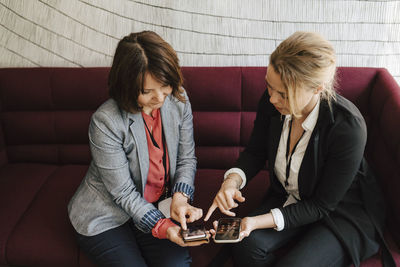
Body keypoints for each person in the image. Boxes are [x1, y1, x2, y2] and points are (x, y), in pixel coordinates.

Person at [205, 31, 395, 267]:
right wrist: (231, 181)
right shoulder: (272, 100)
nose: (272, 98)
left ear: (317, 89)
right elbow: (255, 151)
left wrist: (254, 222)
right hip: (292, 195)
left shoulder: (348, 127)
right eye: (269, 86)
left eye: (283, 94)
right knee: (244, 245)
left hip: (341, 209)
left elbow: (320, 205)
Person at [68, 31, 208, 267]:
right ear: (127, 86)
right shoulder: (106, 121)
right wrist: (163, 227)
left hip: (155, 205)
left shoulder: (178, 100)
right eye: (147, 91)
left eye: (165, 86)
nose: (160, 98)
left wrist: (181, 199)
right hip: (107, 215)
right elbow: (123, 193)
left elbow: (186, 159)